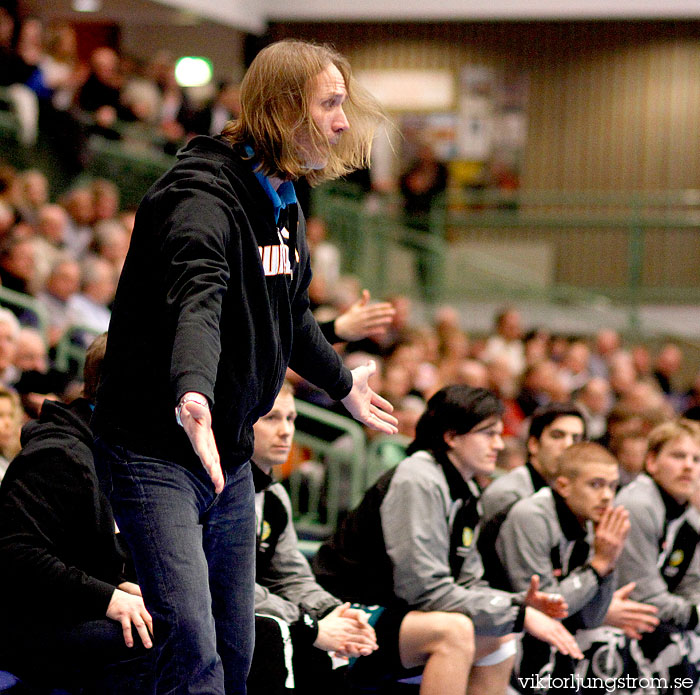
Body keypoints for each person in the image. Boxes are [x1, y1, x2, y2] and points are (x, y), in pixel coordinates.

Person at [92, 39, 398, 695]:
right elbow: (197, 303)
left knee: (237, 646)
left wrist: (344, 387)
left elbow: (291, 316)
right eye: (331, 105)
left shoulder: (284, 199)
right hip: (156, 451)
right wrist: (194, 393)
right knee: (193, 649)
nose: (343, 123)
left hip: (227, 457)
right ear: (287, 109)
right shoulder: (202, 199)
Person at [314, 385, 583, 695]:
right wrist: (519, 613)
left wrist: (515, 602)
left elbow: (469, 582)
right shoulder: (419, 478)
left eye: (499, 434)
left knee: (500, 635)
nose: (498, 445)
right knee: (454, 632)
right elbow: (424, 590)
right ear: (452, 436)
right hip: (346, 612)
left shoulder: (466, 491)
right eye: (487, 434)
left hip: (397, 613)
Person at [0, 333, 154, 694]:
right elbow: (15, 554)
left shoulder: (107, 451)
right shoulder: (59, 454)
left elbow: (80, 555)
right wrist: (108, 597)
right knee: (161, 639)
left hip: (70, 614)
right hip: (28, 629)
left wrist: (117, 585)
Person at [494, 442, 640, 693]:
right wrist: (599, 565)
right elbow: (544, 608)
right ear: (563, 486)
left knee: (615, 642)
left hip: (557, 626)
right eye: (595, 485)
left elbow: (592, 617)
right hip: (511, 627)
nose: (607, 495)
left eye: (612, 486)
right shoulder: (531, 516)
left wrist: (609, 563)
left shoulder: (595, 521)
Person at [616, 419, 700, 691]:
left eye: (696, 459)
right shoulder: (637, 504)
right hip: (615, 619)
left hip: (659, 618)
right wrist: (694, 615)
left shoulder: (687, 517)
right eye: (678, 456)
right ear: (651, 462)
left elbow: (692, 584)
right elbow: (642, 595)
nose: (689, 465)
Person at [479, 402, 586, 524]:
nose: (568, 445)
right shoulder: (506, 494)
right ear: (533, 444)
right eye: (557, 436)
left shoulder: (578, 494)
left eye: (576, 439)